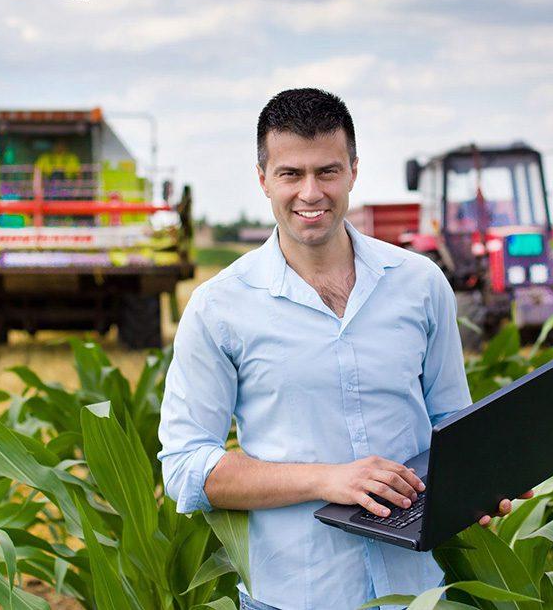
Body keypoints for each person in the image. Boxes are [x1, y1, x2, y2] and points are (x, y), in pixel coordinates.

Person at [158, 89, 531, 610]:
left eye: (327, 171)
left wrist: (479, 485)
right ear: (262, 179)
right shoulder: (218, 308)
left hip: (417, 591)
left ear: (354, 170)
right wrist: (328, 479)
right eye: (291, 174)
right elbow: (185, 467)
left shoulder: (420, 284)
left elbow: (450, 420)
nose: (311, 192)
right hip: (292, 595)